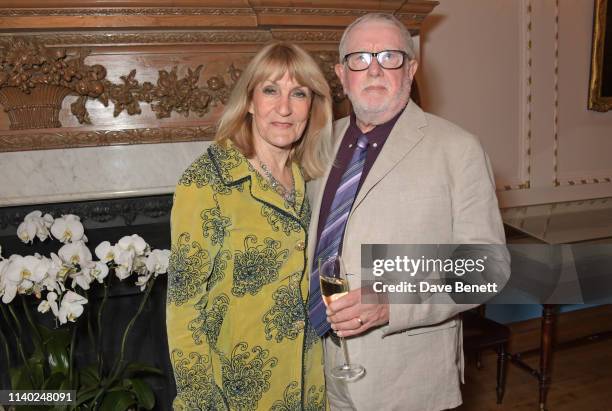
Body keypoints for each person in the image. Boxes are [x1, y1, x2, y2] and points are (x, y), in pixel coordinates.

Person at [306, 13, 511, 411]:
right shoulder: (318, 144)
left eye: (390, 57)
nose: (375, 70)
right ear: (341, 74)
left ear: (412, 69)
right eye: (360, 59)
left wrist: (390, 302)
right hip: (321, 370)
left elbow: (487, 269)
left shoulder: (458, 149)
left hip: (407, 380)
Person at [166, 42, 333, 410]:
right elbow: (183, 306)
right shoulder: (208, 180)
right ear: (251, 101)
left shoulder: (308, 180)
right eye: (271, 90)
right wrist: (202, 402)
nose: (285, 108)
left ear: (312, 106)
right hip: (238, 394)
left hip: (310, 385)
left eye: (299, 93)